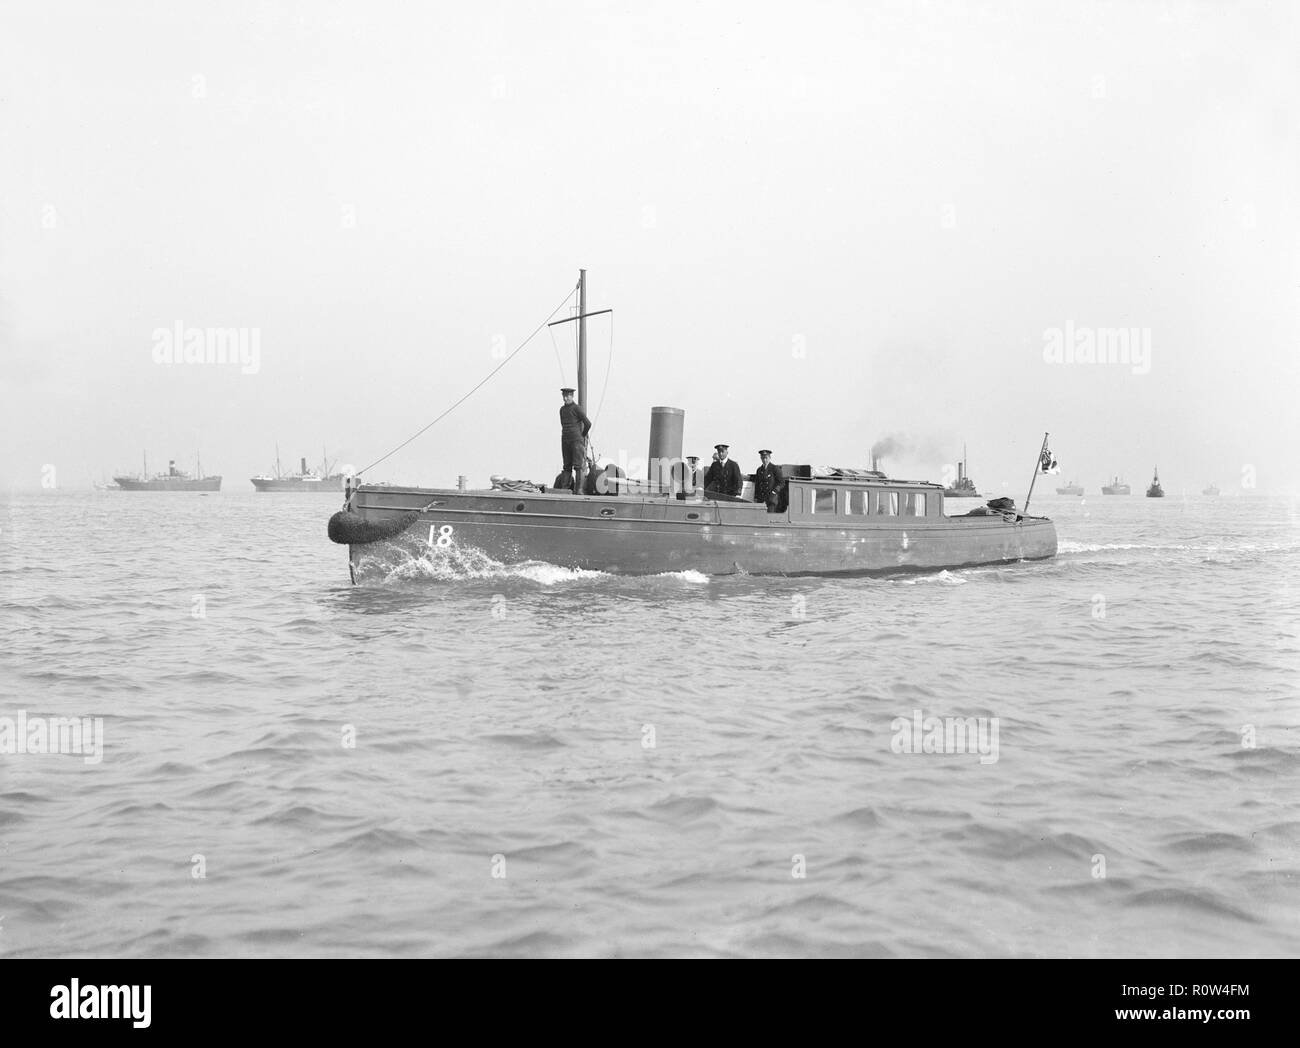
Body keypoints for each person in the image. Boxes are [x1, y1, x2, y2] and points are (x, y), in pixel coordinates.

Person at [557, 387, 591, 494]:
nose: (566, 398)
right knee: (567, 466)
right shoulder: (562, 410)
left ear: (572, 396)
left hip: (576, 441)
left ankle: (579, 489)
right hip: (565, 440)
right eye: (564, 396)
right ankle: (565, 489)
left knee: (578, 466)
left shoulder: (577, 409)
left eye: (568, 396)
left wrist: (582, 435)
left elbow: (588, 423)